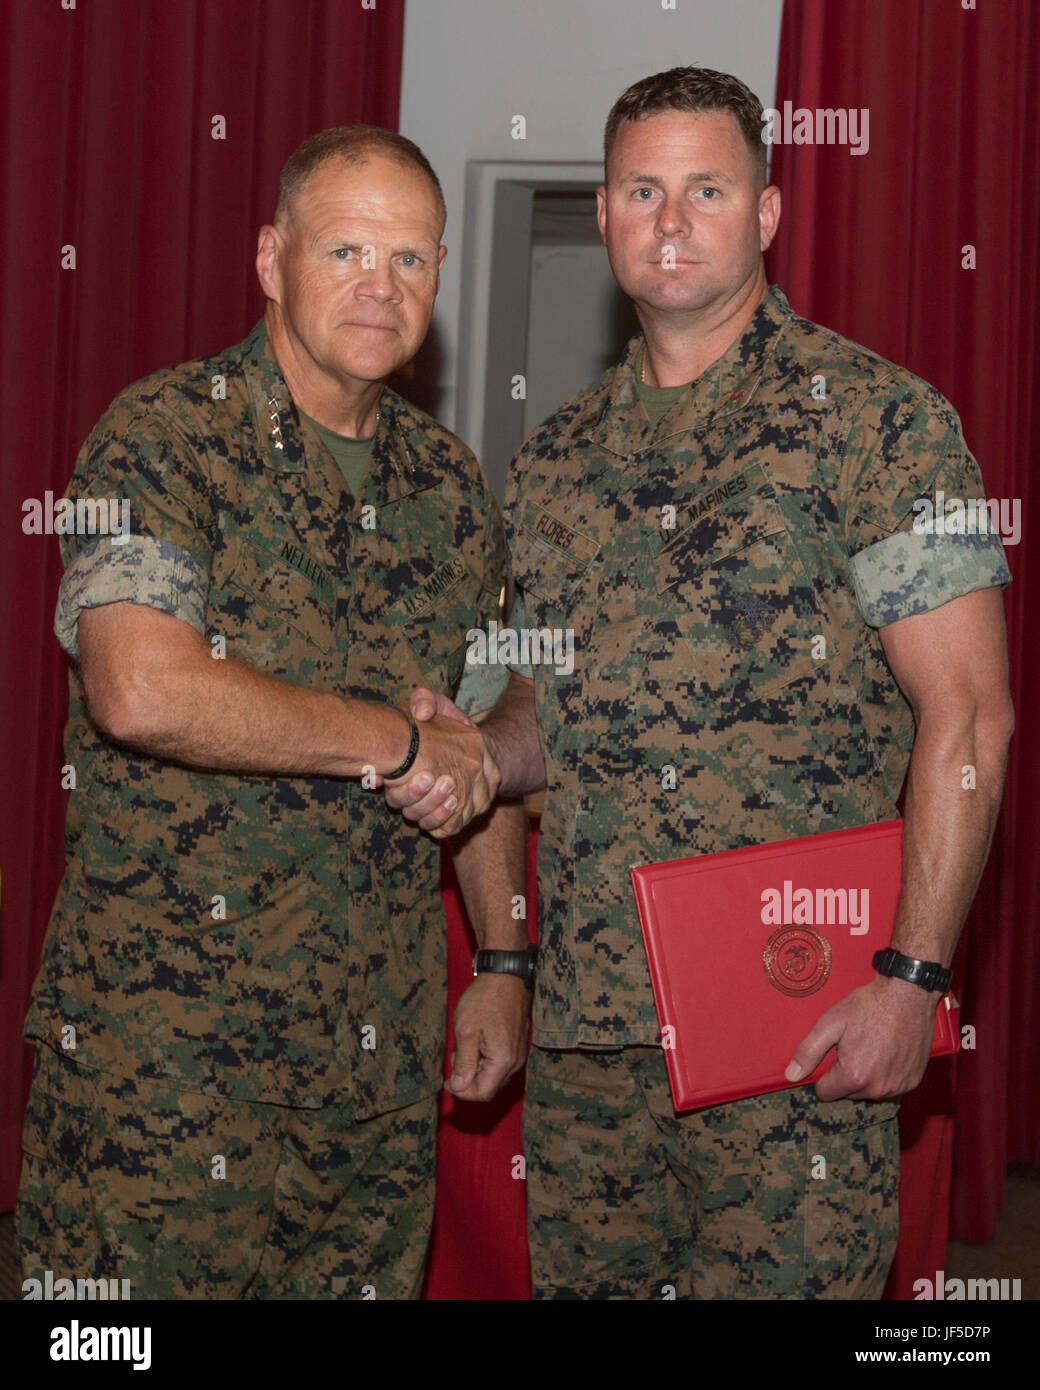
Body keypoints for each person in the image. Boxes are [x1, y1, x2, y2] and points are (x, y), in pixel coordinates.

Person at [386, 68, 1015, 1299]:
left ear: (768, 215)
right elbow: (539, 721)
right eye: (639, 189)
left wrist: (912, 977)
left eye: (705, 188)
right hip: (592, 1040)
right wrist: (467, 754)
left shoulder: (879, 424)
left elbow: (970, 713)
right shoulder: (555, 461)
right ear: (607, 212)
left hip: (794, 1019)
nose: (668, 219)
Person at [17, 125, 530, 1301]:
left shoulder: (452, 492)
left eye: (408, 259)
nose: (376, 285)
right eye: (344, 248)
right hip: (165, 1064)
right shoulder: (158, 437)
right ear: (269, 258)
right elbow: (139, 689)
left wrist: (501, 954)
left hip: (370, 1070)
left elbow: (478, 741)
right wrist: (392, 739)